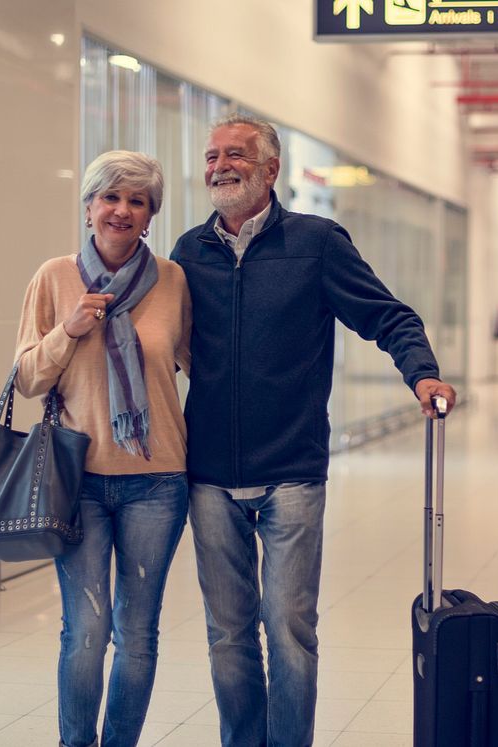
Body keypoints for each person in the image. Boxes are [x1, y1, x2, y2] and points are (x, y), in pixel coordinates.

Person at [171, 113, 457, 747]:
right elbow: (162, 344)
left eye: (236, 154)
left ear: (272, 169)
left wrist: (423, 374)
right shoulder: (189, 251)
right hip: (210, 472)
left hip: (293, 470)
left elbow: (389, 316)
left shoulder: (317, 242)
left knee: (291, 629)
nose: (220, 165)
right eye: (213, 154)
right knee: (228, 634)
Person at [14, 150, 192, 747]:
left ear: (150, 217)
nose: (122, 210)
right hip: (79, 478)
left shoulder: (171, 280)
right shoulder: (54, 277)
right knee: (85, 630)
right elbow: (27, 379)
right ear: (88, 206)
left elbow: (200, 366)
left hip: (159, 479)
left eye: (137, 201)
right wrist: (69, 331)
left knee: (137, 632)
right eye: (110, 198)